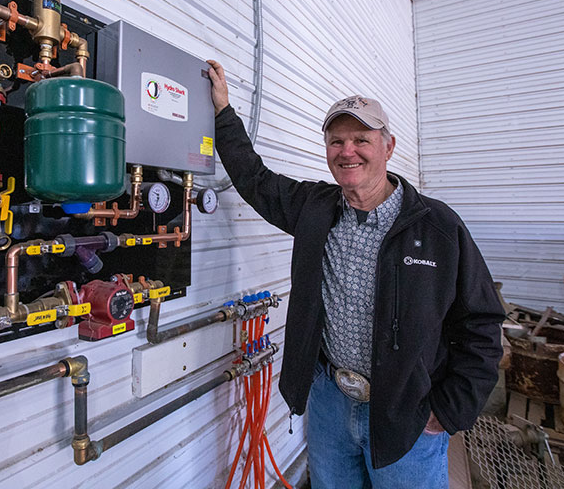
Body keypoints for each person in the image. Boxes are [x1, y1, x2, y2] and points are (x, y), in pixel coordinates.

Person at [206, 60, 504, 488]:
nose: (347, 151)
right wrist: (222, 113)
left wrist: (450, 410)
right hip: (330, 402)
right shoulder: (315, 208)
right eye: (336, 141)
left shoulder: (438, 228)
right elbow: (255, 180)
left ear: (388, 146)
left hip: (407, 412)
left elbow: (482, 323)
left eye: (361, 139)